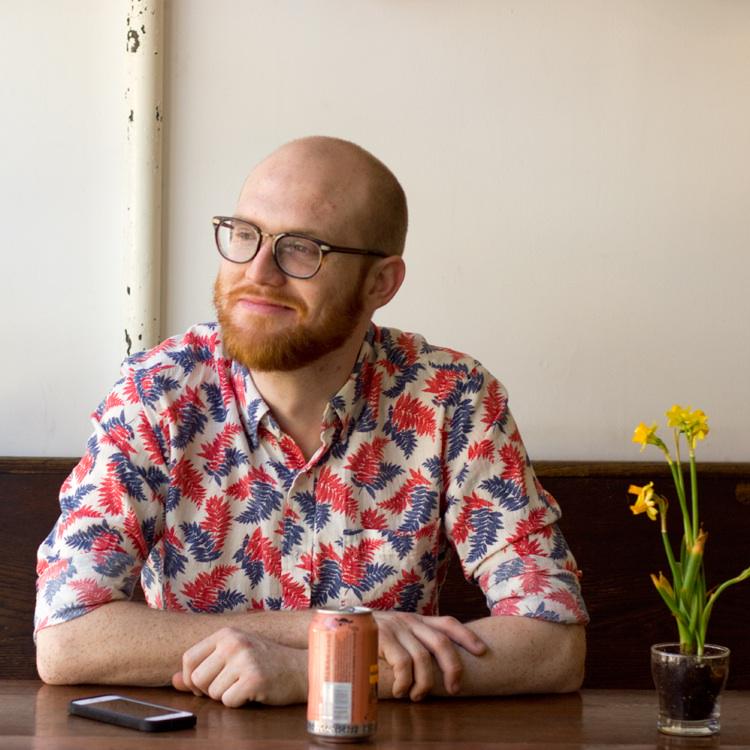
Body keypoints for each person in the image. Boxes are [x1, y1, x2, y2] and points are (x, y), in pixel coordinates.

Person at [35, 136, 588, 707]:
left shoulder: (450, 398)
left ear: (380, 283)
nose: (257, 272)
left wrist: (314, 675)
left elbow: (553, 644)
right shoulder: (158, 392)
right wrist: (330, 633)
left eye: (301, 249)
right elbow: (67, 639)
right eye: (244, 234)